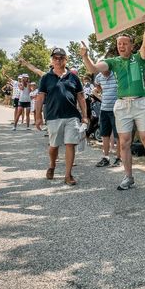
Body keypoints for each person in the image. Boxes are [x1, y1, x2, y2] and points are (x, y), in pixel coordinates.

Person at [79, 14, 145, 190]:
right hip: (122, 105)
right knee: (124, 142)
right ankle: (128, 177)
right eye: (119, 44)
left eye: (125, 44)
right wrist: (86, 57)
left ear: (132, 45)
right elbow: (93, 69)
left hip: (140, 103)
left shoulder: (139, 58)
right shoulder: (113, 62)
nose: (121, 46)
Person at [34, 47, 89, 186]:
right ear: (52, 60)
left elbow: (81, 97)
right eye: (55, 58)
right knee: (54, 146)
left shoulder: (73, 77)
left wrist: (84, 116)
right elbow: (40, 98)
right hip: (53, 116)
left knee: (70, 144)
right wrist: (38, 117)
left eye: (61, 58)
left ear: (66, 60)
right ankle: (52, 165)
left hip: (72, 116)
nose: (58, 60)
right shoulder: (46, 78)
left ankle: (68, 174)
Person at [94, 68, 121, 167]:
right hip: (104, 109)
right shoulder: (99, 76)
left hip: (116, 110)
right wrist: (101, 91)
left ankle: (119, 158)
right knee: (104, 134)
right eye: (100, 70)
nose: (102, 72)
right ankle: (106, 158)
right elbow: (96, 84)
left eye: (104, 70)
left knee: (118, 135)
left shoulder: (116, 74)